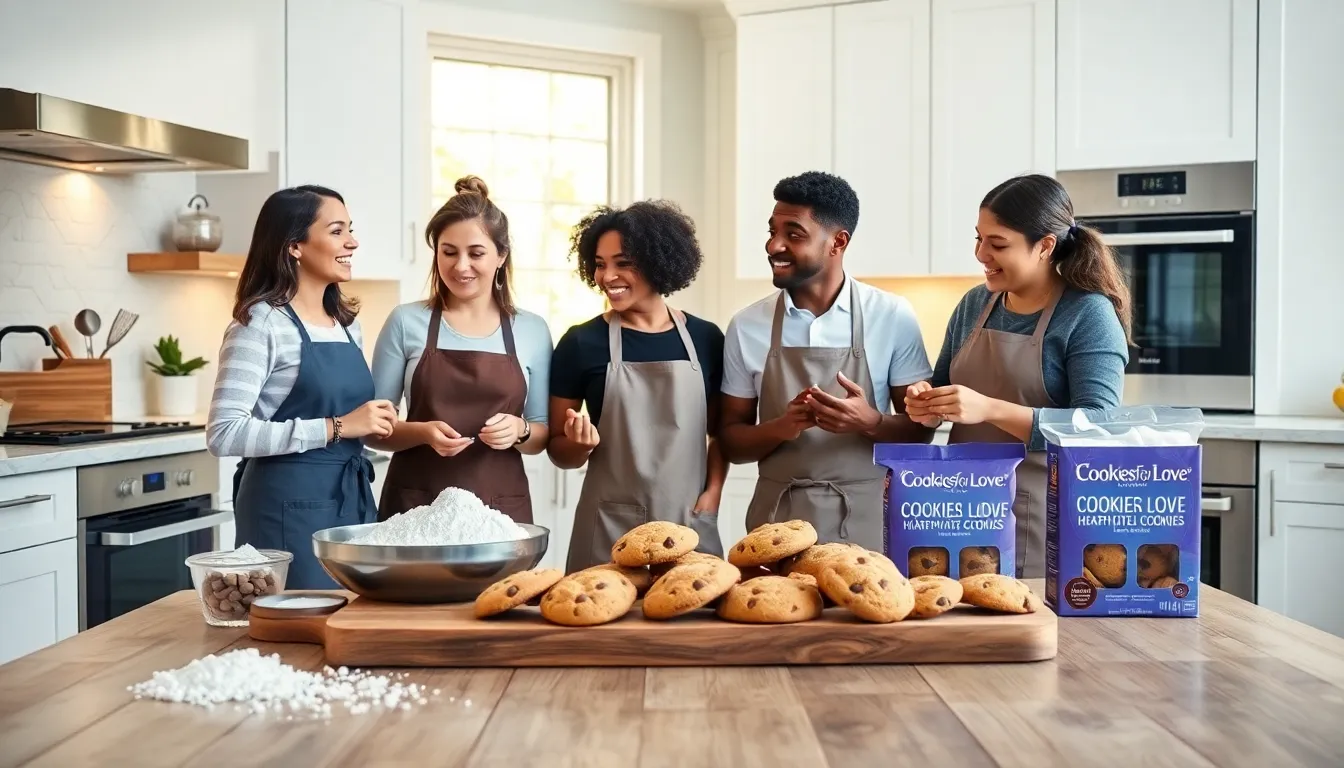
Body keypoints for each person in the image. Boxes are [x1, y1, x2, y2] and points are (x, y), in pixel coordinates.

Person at [904, 173, 1131, 579]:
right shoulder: (976, 302)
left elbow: (1098, 425)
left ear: (1044, 246)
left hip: (1038, 512)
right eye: (978, 238)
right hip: (960, 507)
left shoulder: (1087, 314)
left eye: (997, 244)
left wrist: (988, 409)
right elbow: (942, 388)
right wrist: (926, 403)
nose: (980, 254)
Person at [719, 171, 935, 550]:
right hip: (775, 526)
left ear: (838, 242)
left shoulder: (891, 315)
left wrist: (870, 421)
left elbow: (921, 431)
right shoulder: (747, 325)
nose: (774, 245)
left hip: (866, 523)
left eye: (793, 234)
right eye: (772, 231)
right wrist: (781, 427)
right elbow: (732, 442)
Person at [207, 185, 397, 589]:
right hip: (284, 509)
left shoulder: (346, 326)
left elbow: (354, 419)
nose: (352, 241)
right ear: (294, 245)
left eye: (350, 229)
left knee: (350, 624)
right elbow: (224, 434)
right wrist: (337, 426)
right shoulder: (260, 324)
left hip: (349, 502)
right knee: (296, 633)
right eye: (336, 231)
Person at [548, 199, 727, 572]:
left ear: (659, 261)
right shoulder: (581, 343)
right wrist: (577, 447)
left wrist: (713, 494)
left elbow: (722, 433)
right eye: (600, 264)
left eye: (623, 263)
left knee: (692, 623)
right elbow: (558, 449)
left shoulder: (706, 338)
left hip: (687, 523)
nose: (607, 276)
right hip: (609, 527)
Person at [367, 176, 552, 523]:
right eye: (448, 252)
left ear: (501, 255)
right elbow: (374, 430)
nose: (460, 266)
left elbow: (541, 432)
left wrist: (519, 430)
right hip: (415, 508)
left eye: (476, 253)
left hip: (500, 511)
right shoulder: (406, 321)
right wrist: (421, 432)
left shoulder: (532, 330)